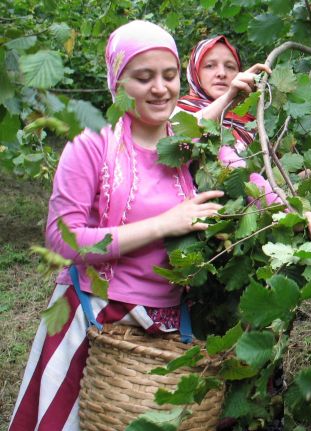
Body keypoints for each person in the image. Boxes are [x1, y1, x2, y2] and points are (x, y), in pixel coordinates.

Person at [8, 20, 226, 430]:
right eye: (143, 78)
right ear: (117, 81)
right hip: (94, 318)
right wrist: (165, 223)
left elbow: (248, 178)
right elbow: (62, 240)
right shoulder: (92, 145)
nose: (160, 88)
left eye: (169, 75)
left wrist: (300, 211)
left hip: (166, 326)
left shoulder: (187, 139)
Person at [176, 35, 311, 237]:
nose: (221, 73)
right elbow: (182, 139)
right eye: (209, 66)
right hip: (206, 226)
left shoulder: (252, 121)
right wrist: (229, 97)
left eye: (230, 67)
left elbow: (270, 172)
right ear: (194, 72)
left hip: (259, 226)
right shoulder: (179, 113)